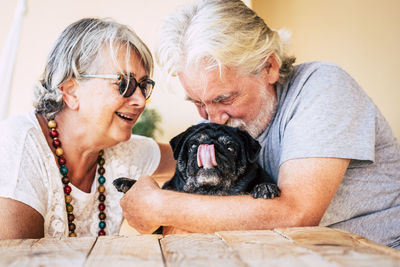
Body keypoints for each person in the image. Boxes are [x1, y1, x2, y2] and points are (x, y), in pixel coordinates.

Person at [120, 0, 400, 249]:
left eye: (224, 98)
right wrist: (110, 147)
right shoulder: (226, 118)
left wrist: (161, 205)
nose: (212, 117)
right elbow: (180, 158)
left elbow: (295, 215)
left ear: (269, 67)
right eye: (198, 102)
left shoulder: (323, 87)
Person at [0, 18, 175, 238]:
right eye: (125, 83)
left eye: (143, 86)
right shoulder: (16, 148)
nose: (140, 101)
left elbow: (192, 158)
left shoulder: (123, 152)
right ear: (71, 91)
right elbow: (18, 260)